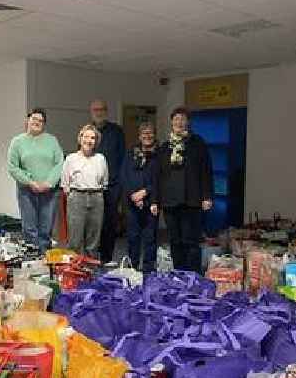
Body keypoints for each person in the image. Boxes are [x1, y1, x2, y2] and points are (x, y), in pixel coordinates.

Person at [151, 106, 213, 273]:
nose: (179, 122)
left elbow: (206, 171)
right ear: (172, 122)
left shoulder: (197, 143)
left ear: (188, 122)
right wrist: (155, 201)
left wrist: (207, 196)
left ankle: (193, 275)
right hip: (170, 202)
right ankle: (179, 275)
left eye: (182, 119)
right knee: (175, 240)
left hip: (192, 200)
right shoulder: (164, 148)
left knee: (191, 241)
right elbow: (158, 176)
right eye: (176, 119)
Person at [7, 108, 64, 252]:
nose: (37, 122)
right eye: (34, 119)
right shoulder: (17, 142)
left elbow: (60, 163)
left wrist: (48, 183)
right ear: (28, 120)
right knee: (30, 229)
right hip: (26, 191)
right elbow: (12, 167)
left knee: (46, 229)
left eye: (41, 121)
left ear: (44, 124)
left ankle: (45, 260)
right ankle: (32, 261)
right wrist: (29, 182)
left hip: (49, 192)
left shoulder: (52, 141)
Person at [61, 124, 108, 258]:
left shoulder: (101, 159)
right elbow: (65, 184)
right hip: (77, 197)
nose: (89, 140)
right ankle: (74, 273)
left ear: (96, 141)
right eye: (86, 136)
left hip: (96, 198)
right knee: (75, 239)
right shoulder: (71, 159)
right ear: (80, 138)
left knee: (93, 240)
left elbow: (104, 182)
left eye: (92, 138)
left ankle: (90, 271)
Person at [89, 99, 125, 263]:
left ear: (106, 111)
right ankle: (91, 258)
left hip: (112, 186)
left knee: (109, 223)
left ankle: (107, 258)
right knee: (93, 224)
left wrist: (119, 183)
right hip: (91, 187)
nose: (99, 112)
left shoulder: (116, 131)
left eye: (102, 109)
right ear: (91, 112)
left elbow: (122, 157)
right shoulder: (87, 132)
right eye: (95, 109)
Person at [121, 122, 159, 273]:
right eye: (144, 133)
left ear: (154, 135)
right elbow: (124, 175)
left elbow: (160, 179)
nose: (147, 136)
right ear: (139, 136)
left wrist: (145, 192)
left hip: (151, 202)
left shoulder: (159, 154)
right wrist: (133, 195)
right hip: (132, 203)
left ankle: (149, 270)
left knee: (150, 239)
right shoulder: (131, 153)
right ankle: (133, 268)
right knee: (133, 237)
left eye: (150, 133)